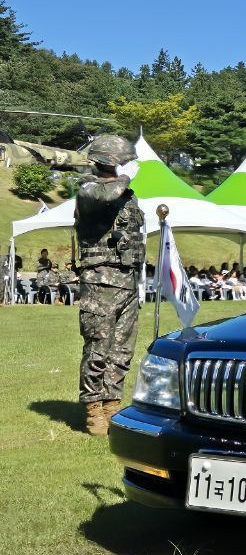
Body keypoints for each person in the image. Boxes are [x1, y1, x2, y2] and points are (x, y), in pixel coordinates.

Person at [74, 134, 145, 436]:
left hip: (126, 280)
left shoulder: (127, 194)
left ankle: (113, 405)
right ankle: (93, 410)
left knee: (121, 350)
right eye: (121, 161)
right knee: (98, 348)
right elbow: (108, 195)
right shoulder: (87, 188)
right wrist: (127, 177)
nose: (126, 166)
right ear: (108, 160)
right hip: (100, 281)